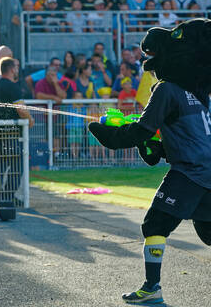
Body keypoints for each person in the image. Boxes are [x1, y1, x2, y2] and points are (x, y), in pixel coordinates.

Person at [88, 18, 211, 304]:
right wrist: (151, 141)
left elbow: (141, 131)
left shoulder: (166, 89)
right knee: (208, 233)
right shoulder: (200, 95)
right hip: (207, 170)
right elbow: (167, 138)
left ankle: (151, 288)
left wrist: (109, 133)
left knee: (155, 224)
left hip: (190, 172)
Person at [0, 57, 34, 204]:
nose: (17, 70)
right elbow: (21, 110)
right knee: (17, 166)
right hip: (11, 133)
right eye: (16, 67)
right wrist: (30, 120)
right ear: (11, 69)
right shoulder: (12, 86)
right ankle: (8, 197)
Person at [65, 91, 87, 159]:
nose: (79, 98)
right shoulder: (70, 106)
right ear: (74, 98)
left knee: (78, 142)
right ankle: (73, 156)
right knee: (72, 142)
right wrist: (75, 109)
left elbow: (84, 115)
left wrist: (81, 109)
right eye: (77, 96)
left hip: (80, 127)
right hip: (71, 127)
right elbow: (68, 116)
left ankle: (77, 156)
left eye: (80, 97)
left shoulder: (83, 107)